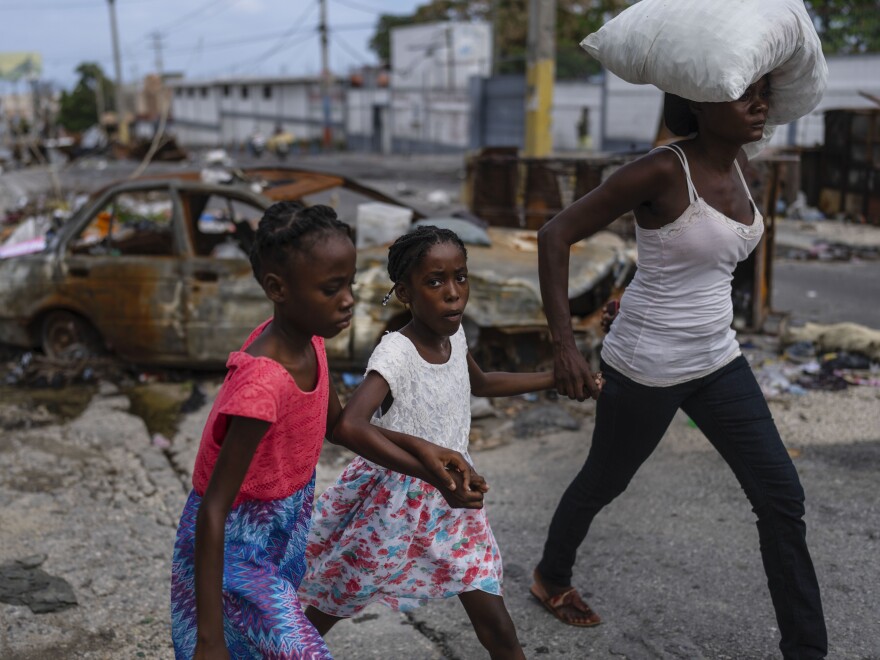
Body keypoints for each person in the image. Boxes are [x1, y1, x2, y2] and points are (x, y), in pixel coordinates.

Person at [530, 76, 827, 659]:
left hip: (718, 358)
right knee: (604, 481)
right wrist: (565, 345)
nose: (760, 104)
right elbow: (554, 234)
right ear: (697, 101)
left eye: (763, 91)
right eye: (745, 93)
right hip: (647, 365)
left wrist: (637, 290)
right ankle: (551, 575)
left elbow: (702, 264)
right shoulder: (662, 171)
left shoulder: (744, 163)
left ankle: (807, 651)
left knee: (781, 498)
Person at [170, 203, 484, 659]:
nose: (349, 300)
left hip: (284, 530)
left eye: (350, 284)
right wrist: (208, 638)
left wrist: (427, 455)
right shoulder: (262, 384)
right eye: (331, 289)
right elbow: (213, 509)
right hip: (238, 551)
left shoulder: (311, 342)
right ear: (278, 289)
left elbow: (338, 427)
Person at [299, 226, 580, 659]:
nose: (453, 293)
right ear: (405, 293)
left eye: (460, 277)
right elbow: (351, 426)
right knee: (324, 609)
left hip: (453, 504)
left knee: (496, 623)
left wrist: (557, 379)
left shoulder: (455, 333)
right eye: (434, 282)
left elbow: (481, 382)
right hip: (391, 506)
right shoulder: (396, 352)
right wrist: (428, 471)